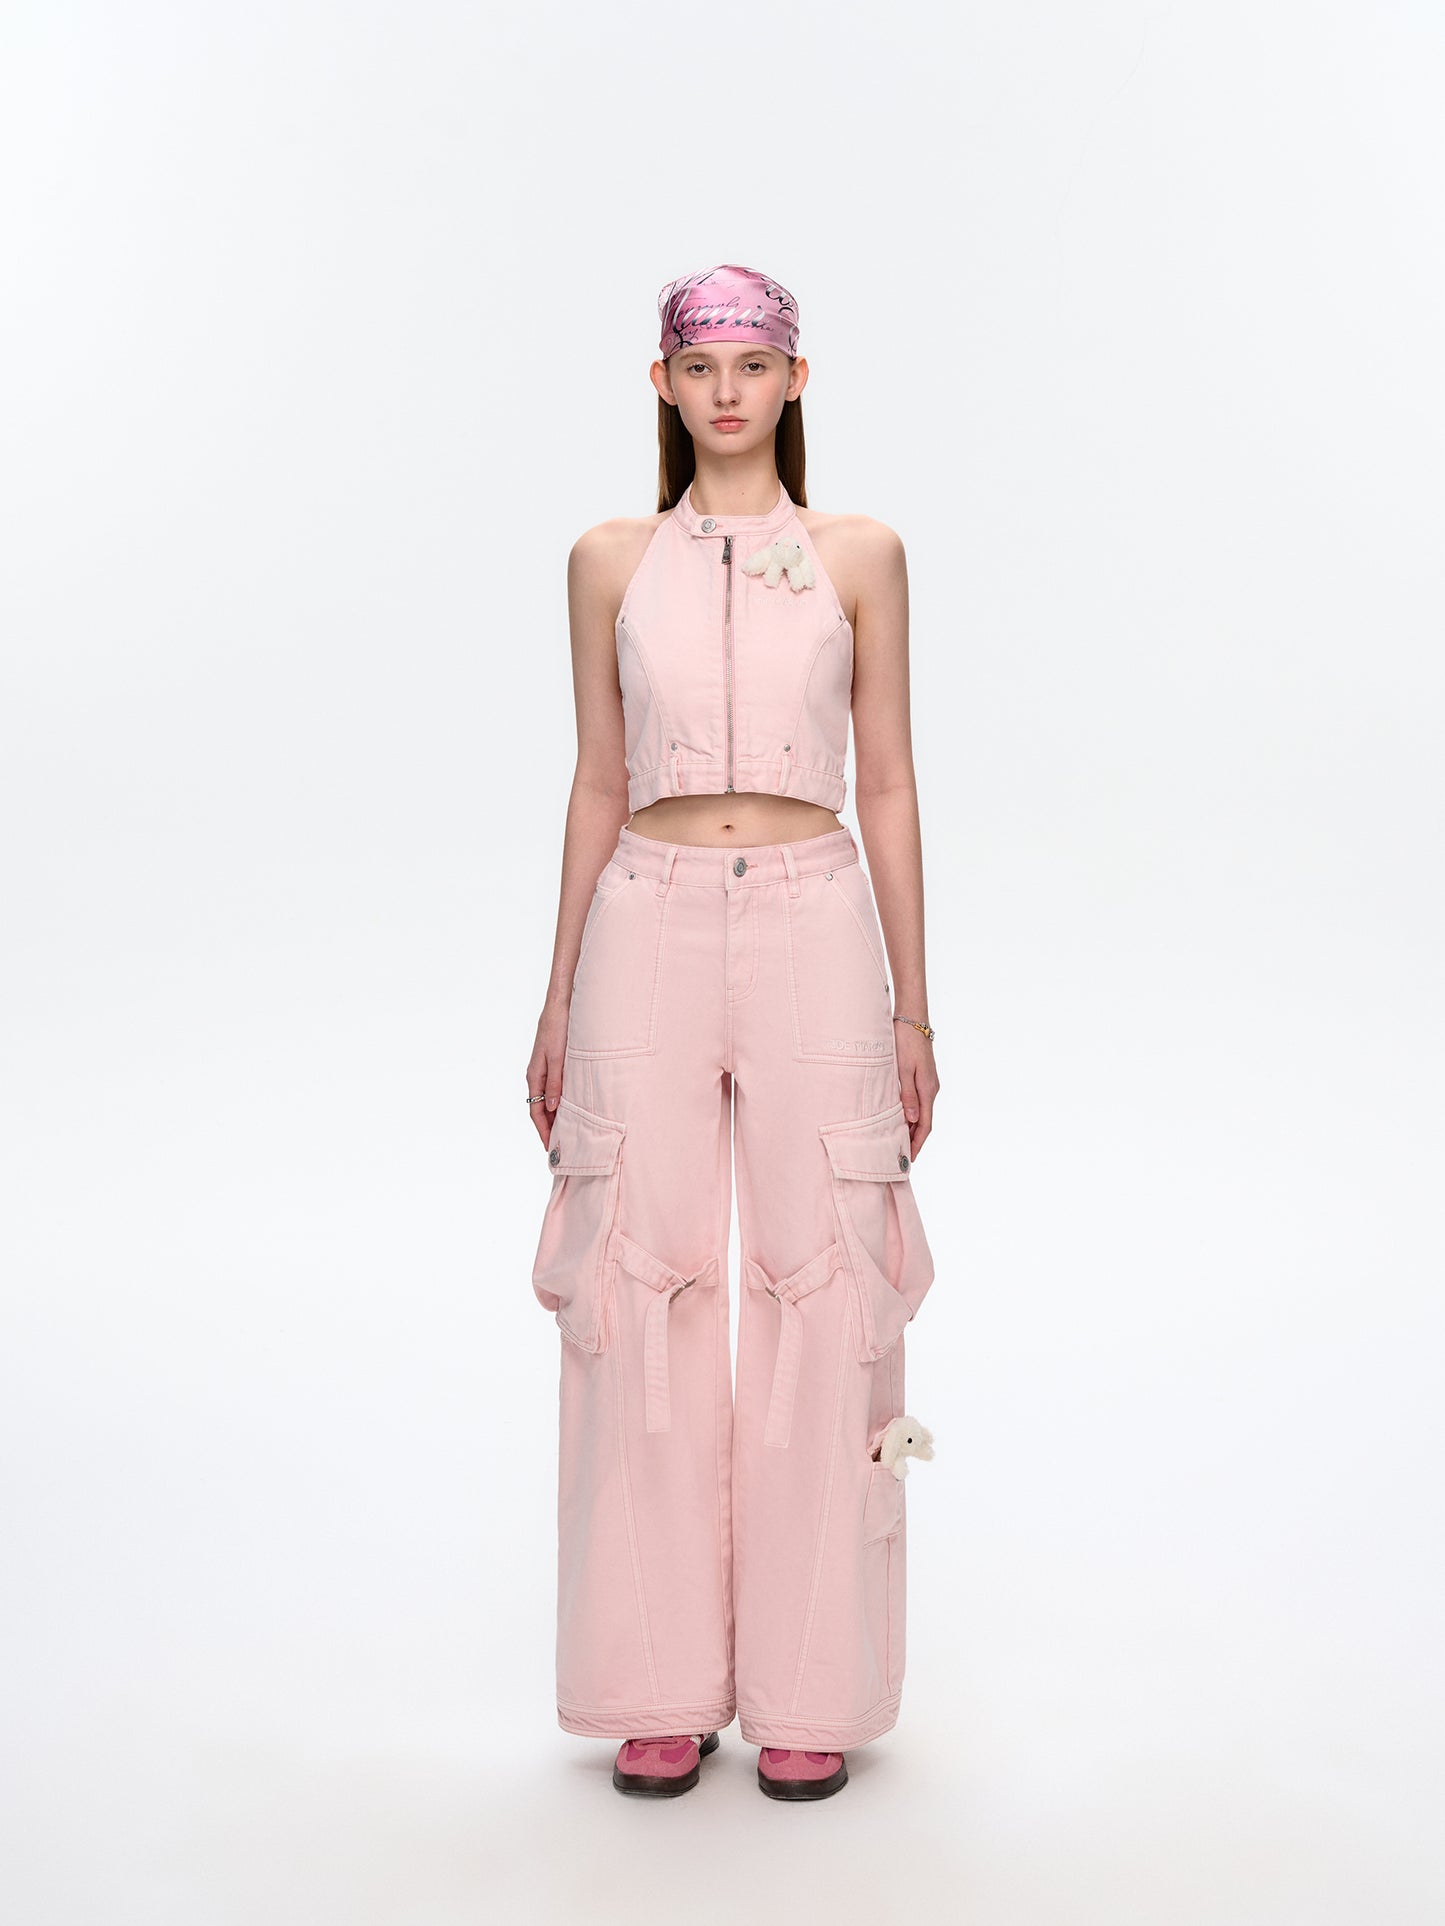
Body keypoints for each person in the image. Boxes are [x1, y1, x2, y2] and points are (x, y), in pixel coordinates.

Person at [525, 263, 940, 1802]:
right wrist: (556, 989)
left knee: (826, 1272)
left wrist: (911, 1002)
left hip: (814, 913)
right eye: (700, 366)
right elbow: (594, 774)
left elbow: (885, 779)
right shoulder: (606, 560)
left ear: (794, 380)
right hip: (643, 913)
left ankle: (810, 1684)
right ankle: (656, 1682)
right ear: (661, 383)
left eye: (753, 364)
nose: (726, 391)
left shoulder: (857, 554)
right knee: (635, 1271)